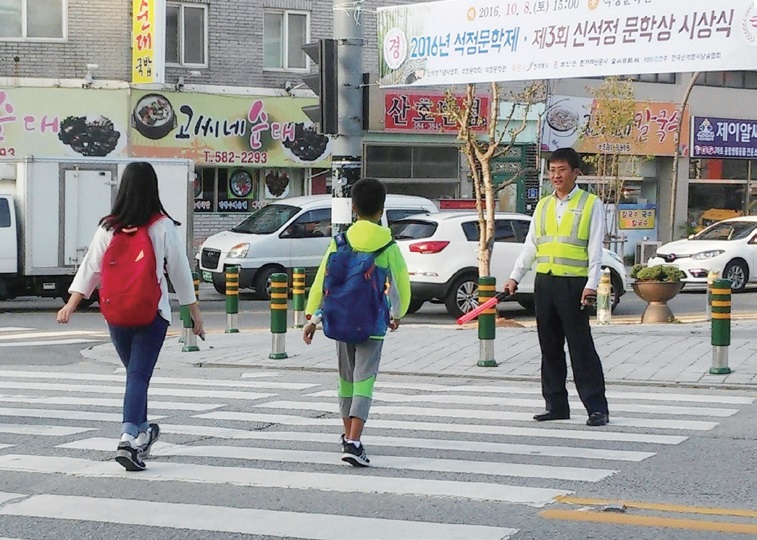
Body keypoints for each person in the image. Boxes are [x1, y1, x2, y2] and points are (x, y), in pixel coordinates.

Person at [57, 161, 204, 470]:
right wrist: (194, 312)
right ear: (153, 189)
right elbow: (179, 272)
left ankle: (143, 432)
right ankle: (127, 439)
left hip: (117, 315)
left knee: (136, 376)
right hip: (153, 314)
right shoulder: (162, 225)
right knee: (138, 376)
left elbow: (91, 268)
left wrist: (72, 304)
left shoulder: (108, 227)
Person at [302, 178, 411, 466]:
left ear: (353, 208)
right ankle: (354, 441)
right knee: (364, 381)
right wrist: (397, 314)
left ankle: (346, 434)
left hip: (339, 321)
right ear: (381, 210)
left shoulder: (340, 240)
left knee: (346, 380)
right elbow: (401, 285)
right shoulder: (387, 244)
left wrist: (313, 317)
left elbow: (322, 280)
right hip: (372, 323)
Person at [504, 147, 609, 427]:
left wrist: (591, 284)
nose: (556, 175)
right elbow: (531, 246)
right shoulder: (543, 205)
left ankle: (596, 407)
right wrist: (515, 276)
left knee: (580, 347)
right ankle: (556, 404)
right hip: (545, 282)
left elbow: (595, 247)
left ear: (576, 173)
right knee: (549, 347)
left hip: (574, 285)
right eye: (552, 170)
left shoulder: (590, 204)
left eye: (562, 170)